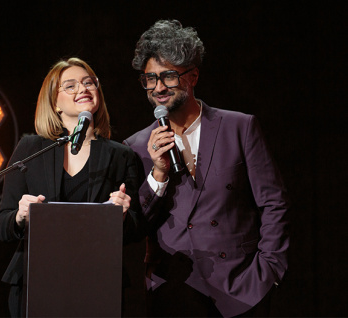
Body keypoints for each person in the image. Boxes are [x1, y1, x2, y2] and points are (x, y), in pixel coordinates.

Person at [123, 20, 290, 317]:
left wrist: (270, 270)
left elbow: (274, 202)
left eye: (169, 76)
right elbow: (136, 225)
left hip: (241, 288)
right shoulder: (136, 145)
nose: (158, 87)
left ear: (193, 76)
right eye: (150, 79)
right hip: (174, 291)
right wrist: (158, 175)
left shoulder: (239, 127)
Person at [0, 57, 143, 317]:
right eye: (71, 86)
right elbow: (1, 224)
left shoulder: (122, 156)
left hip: (97, 283)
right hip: (35, 279)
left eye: (89, 83)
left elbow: (136, 227)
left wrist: (121, 216)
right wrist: (19, 216)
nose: (83, 89)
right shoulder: (31, 149)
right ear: (54, 102)